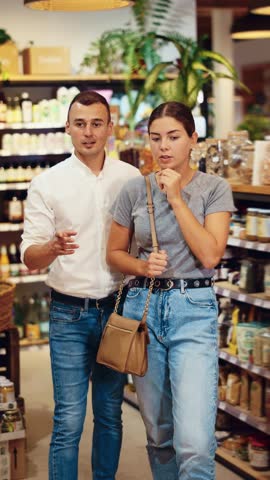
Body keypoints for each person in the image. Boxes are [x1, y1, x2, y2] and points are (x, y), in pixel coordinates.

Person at [106, 101, 235, 480]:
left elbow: (211, 254)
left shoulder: (214, 188)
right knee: (159, 433)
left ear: (193, 139)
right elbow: (114, 253)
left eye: (174, 137)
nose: (163, 147)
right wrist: (142, 265)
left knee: (194, 441)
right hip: (142, 310)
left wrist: (176, 198)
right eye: (156, 137)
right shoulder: (134, 189)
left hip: (193, 309)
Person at [20, 90, 140, 480]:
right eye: (80, 123)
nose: (88, 132)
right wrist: (52, 247)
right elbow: (28, 256)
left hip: (117, 311)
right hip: (69, 312)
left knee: (109, 414)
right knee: (69, 419)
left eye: (97, 123)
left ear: (109, 127)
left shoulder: (131, 177)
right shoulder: (47, 183)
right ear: (67, 127)